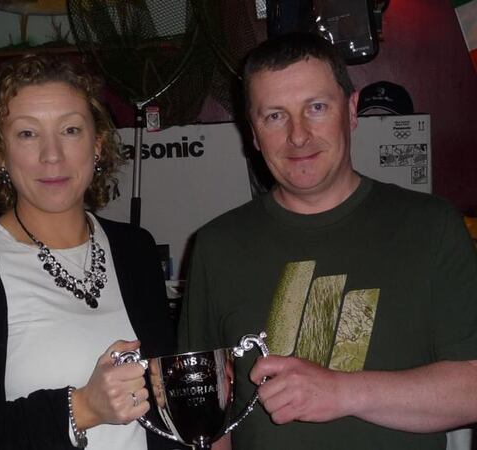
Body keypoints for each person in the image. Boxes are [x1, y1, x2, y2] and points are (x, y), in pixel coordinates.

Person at [179, 32, 477, 450]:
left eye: (316, 108)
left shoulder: (432, 226)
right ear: (253, 133)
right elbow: (209, 414)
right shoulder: (216, 245)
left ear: (352, 111)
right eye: (275, 116)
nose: (298, 136)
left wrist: (341, 391)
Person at [0, 54, 180, 449]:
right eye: (27, 134)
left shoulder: (135, 250)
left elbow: (158, 409)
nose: (51, 155)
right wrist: (83, 407)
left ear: (98, 144)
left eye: (70, 130)